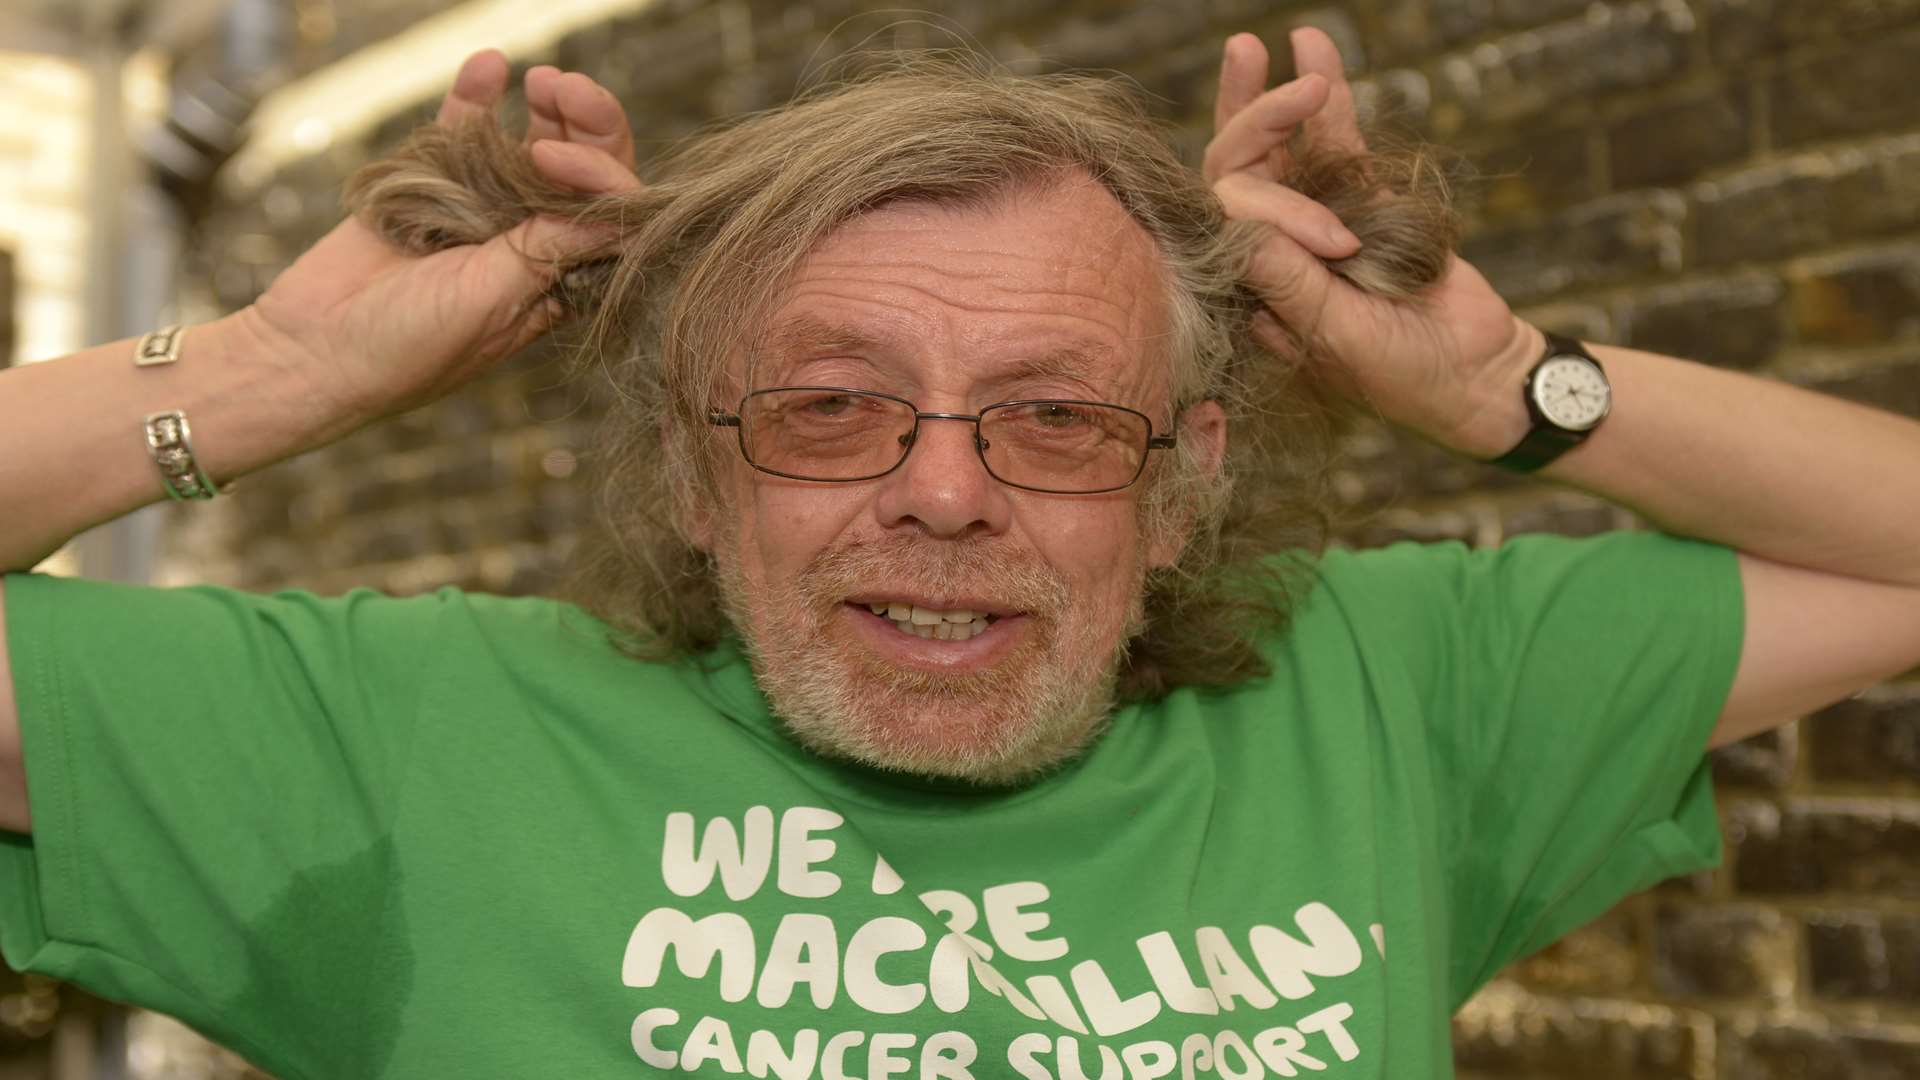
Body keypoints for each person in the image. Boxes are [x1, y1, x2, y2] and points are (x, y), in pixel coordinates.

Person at [1, 26, 1917, 1080]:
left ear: (1183, 482)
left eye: (1059, 417)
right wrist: (265, 371)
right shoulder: (403, 740)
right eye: (829, 407)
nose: (940, 494)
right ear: (691, 472)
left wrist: (1510, 383)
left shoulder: (1392, 696)